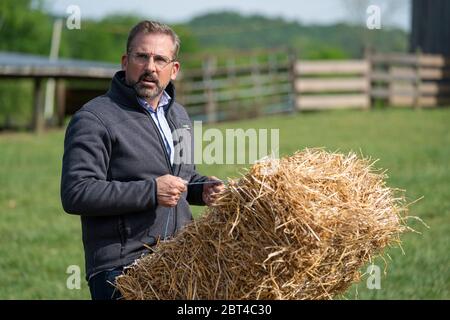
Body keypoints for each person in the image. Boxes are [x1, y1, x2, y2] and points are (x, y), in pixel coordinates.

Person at [60, 20, 223, 300]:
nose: (150, 67)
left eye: (160, 59)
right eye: (141, 56)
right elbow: (77, 192)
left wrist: (201, 188)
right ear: (126, 61)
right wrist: (151, 191)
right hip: (121, 269)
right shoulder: (94, 118)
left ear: (174, 70)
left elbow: (182, 176)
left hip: (180, 259)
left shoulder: (179, 116)